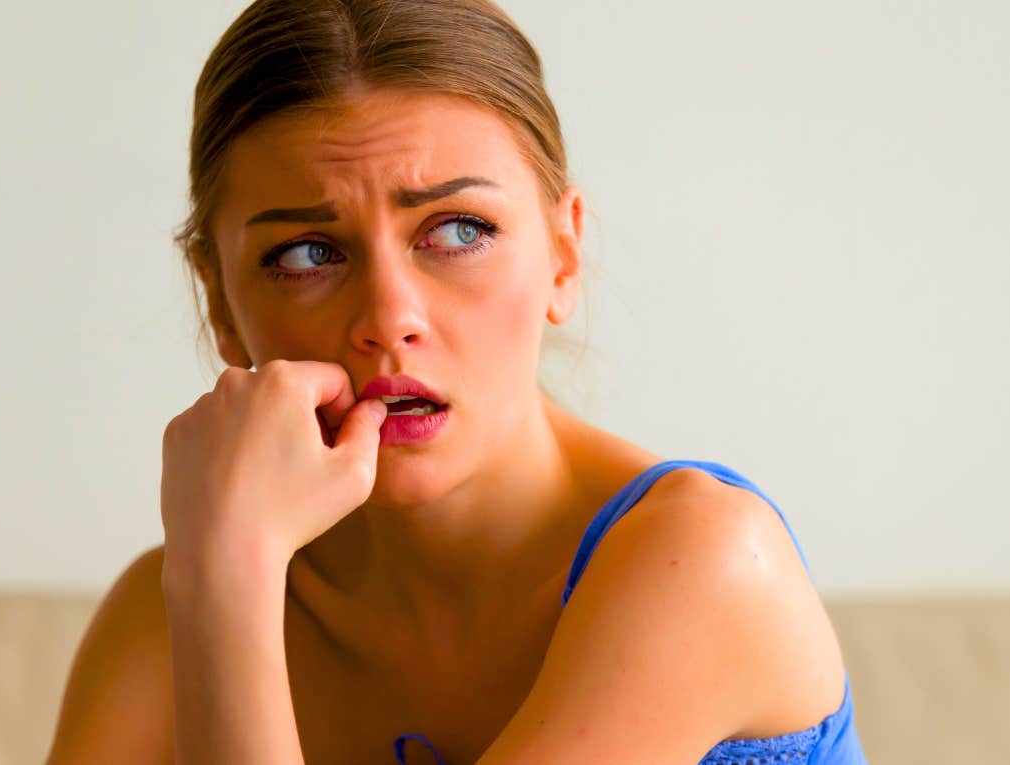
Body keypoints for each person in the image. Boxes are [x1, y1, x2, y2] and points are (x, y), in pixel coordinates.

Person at [46, 1, 868, 763]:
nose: (389, 316)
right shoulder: (167, 611)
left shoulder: (704, 559)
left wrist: (226, 573)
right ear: (218, 298)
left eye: (457, 230)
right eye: (307, 253)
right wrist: (225, 573)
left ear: (563, 252)